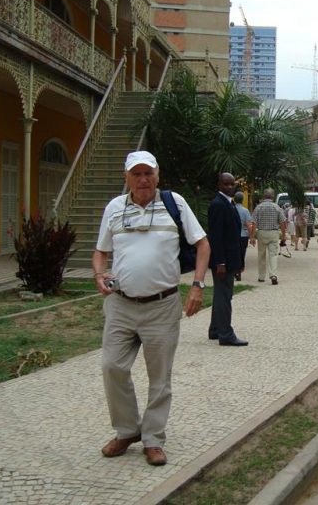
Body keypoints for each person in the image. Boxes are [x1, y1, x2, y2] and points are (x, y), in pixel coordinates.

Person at [93, 150, 210, 466]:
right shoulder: (114, 208)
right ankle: (127, 430)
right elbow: (101, 251)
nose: (143, 180)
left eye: (148, 173)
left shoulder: (175, 204)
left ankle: (153, 438)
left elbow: (202, 244)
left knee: (159, 377)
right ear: (127, 177)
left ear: (157, 175)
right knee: (112, 366)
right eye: (137, 174)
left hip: (162, 306)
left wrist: (197, 286)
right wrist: (99, 274)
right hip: (120, 305)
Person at [207, 174, 248, 346]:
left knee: (221, 294)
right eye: (226, 184)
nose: (230, 187)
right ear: (219, 184)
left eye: (232, 184)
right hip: (223, 260)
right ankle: (225, 333)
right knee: (224, 296)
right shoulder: (218, 204)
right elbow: (215, 236)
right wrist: (220, 262)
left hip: (230, 258)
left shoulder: (228, 203)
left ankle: (216, 329)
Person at [252, 188, 287, 284]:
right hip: (273, 233)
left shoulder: (258, 207)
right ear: (273, 196)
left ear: (264, 196)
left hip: (261, 233)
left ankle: (261, 276)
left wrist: (252, 237)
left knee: (261, 255)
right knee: (273, 255)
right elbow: (283, 222)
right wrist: (284, 235)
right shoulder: (277, 207)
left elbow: (254, 223)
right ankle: (273, 275)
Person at [234, 191, 254, 281]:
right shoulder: (245, 211)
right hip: (243, 235)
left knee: (233, 252)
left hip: (232, 235)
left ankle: (234, 269)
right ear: (242, 200)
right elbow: (249, 225)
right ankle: (239, 270)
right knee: (242, 253)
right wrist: (251, 237)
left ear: (234, 199)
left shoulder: (231, 209)